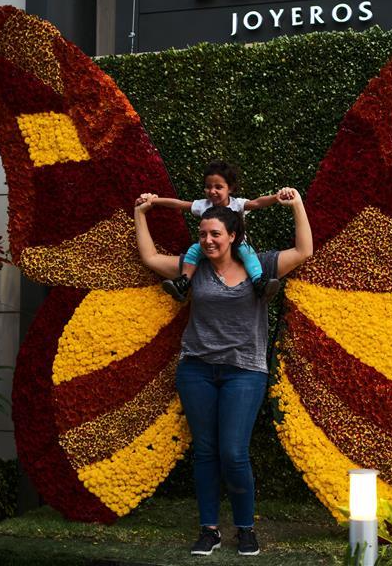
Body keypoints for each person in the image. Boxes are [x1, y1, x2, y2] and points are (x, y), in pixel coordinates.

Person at [134, 186, 312, 557]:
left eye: (216, 234)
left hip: (244, 371)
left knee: (233, 452)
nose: (208, 240)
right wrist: (141, 213)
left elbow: (303, 252)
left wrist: (296, 205)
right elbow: (150, 258)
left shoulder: (259, 265)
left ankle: (246, 529)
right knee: (206, 452)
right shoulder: (192, 266)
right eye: (203, 234)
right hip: (196, 369)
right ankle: (209, 530)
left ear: (233, 236)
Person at [136, 160, 281, 302]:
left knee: (248, 253)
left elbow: (257, 202)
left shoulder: (237, 204)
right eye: (208, 187)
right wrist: (154, 201)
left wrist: (277, 197)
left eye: (218, 187)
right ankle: (183, 283)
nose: (212, 191)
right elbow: (179, 204)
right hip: (210, 246)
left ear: (230, 188)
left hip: (236, 244)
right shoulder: (203, 205)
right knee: (193, 250)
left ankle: (259, 283)